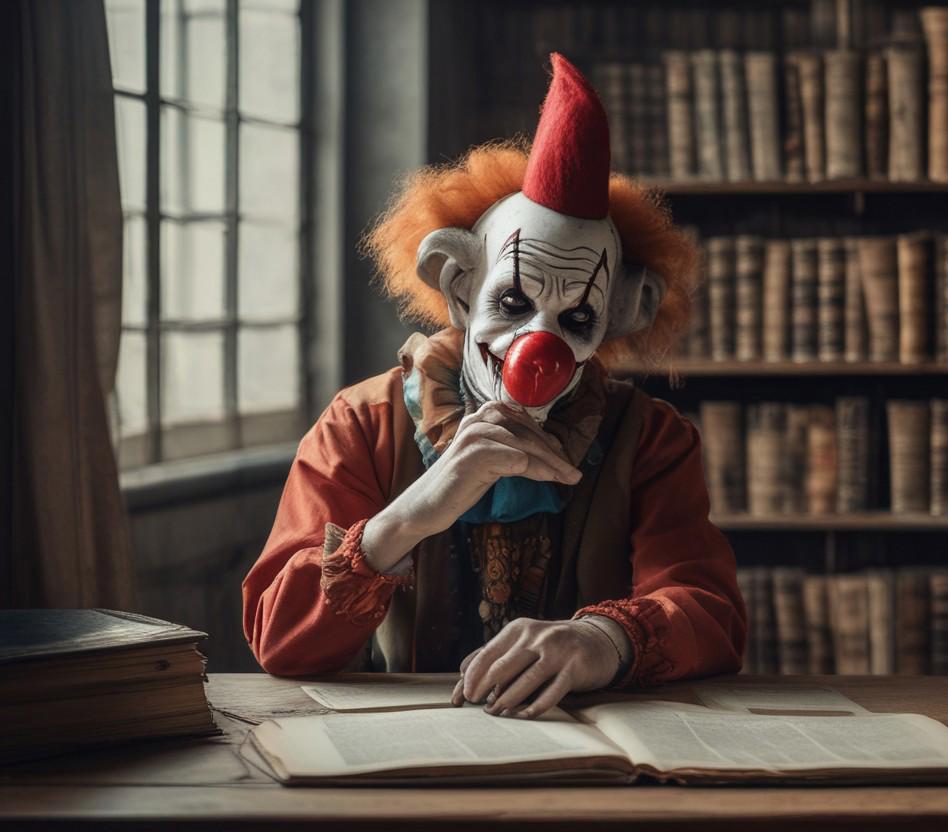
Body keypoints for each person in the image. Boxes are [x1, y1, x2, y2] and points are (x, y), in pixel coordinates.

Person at [242, 53, 745, 718]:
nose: (542, 343)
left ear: (623, 315)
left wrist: (602, 641)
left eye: (578, 317)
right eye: (512, 303)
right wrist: (409, 516)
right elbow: (280, 642)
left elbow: (709, 611)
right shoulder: (362, 424)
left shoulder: (647, 439)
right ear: (458, 285)